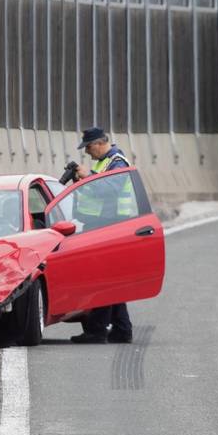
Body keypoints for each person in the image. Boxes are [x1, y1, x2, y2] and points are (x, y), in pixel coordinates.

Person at [70, 127, 134, 345]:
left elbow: (111, 188)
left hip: (110, 227)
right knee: (109, 279)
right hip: (99, 226)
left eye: (88, 147)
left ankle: (97, 330)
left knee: (101, 279)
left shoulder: (118, 161)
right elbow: (95, 191)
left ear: (98, 143)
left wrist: (90, 176)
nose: (87, 152)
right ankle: (122, 330)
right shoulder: (102, 163)